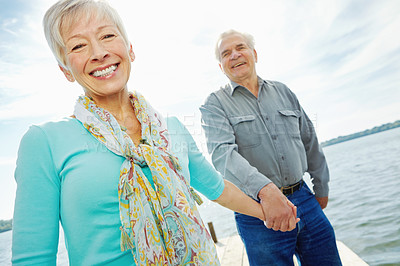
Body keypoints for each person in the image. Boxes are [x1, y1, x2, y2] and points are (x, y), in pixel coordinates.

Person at [11, 3, 266, 265]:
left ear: (130, 49)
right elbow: (33, 259)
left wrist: (269, 212)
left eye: (107, 36)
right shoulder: (44, 142)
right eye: (78, 46)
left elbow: (217, 188)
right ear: (65, 69)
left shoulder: (172, 127)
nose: (99, 53)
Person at [200, 29, 342, 265]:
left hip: (305, 200)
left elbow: (310, 140)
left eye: (240, 48)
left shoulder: (284, 92)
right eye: (226, 53)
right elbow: (223, 156)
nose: (234, 55)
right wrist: (266, 191)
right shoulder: (214, 104)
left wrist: (322, 186)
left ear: (254, 54)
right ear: (221, 66)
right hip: (257, 212)